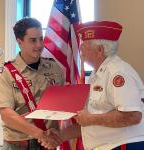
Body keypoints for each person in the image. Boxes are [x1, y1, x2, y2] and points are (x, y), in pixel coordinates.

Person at [42, 21, 144, 150]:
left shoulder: (117, 72)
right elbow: (93, 121)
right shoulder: (97, 75)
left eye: (84, 45)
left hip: (124, 145)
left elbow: (132, 116)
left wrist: (91, 119)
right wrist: (60, 136)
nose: (80, 49)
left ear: (99, 50)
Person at [0, 17, 65, 150]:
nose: (39, 45)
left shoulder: (54, 68)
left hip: (48, 144)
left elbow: (62, 103)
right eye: (33, 40)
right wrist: (40, 134)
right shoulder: (5, 73)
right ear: (19, 42)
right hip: (18, 145)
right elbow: (7, 114)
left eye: (41, 39)